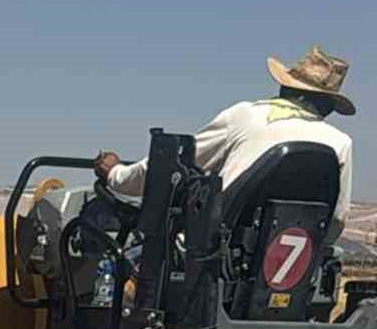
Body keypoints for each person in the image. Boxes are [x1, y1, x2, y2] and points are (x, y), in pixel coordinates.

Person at [94, 46, 355, 242]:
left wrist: (116, 174)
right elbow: (336, 220)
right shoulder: (340, 143)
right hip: (289, 272)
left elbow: (172, 166)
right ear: (328, 106)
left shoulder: (246, 116)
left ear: (285, 87)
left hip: (215, 260)